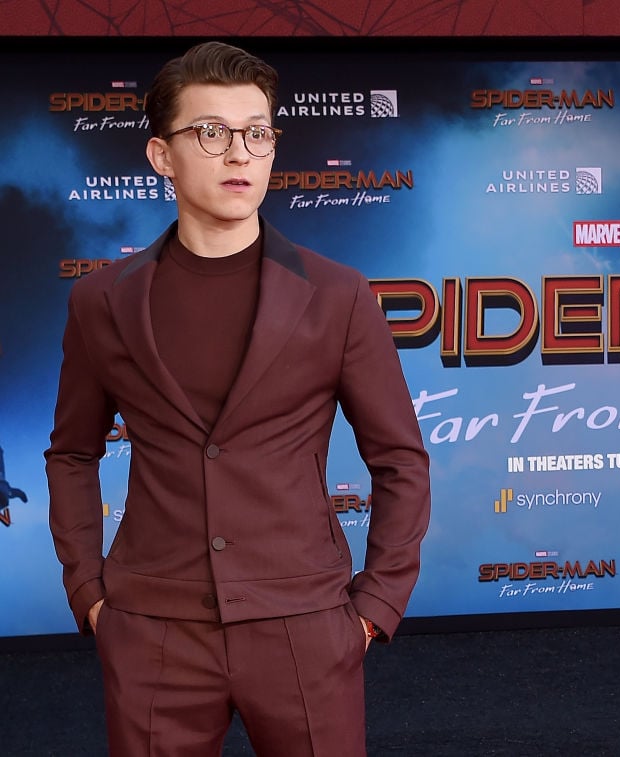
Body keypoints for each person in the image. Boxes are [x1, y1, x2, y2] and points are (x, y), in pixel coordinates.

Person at [45, 41, 430, 756]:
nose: (239, 154)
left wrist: (375, 605)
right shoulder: (101, 300)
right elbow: (71, 452)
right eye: (211, 132)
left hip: (304, 625)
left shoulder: (338, 294)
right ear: (161, 155)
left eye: (257, 133)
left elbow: (400, 459)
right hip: (152, 629)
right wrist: (89, 593)